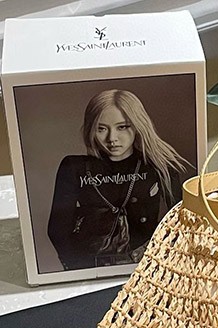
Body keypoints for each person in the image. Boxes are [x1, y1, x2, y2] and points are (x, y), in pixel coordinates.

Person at [48, 89, 190, 270]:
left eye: (122, 127)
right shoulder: (74, 167)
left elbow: (182, 222)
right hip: (91, 266)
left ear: (137, 125)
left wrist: (162, 263)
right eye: (101, 129)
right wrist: (77, 268)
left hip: (146, 266)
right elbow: (57, 229)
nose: (112, 138)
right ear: (91, 129)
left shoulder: (160, 166)